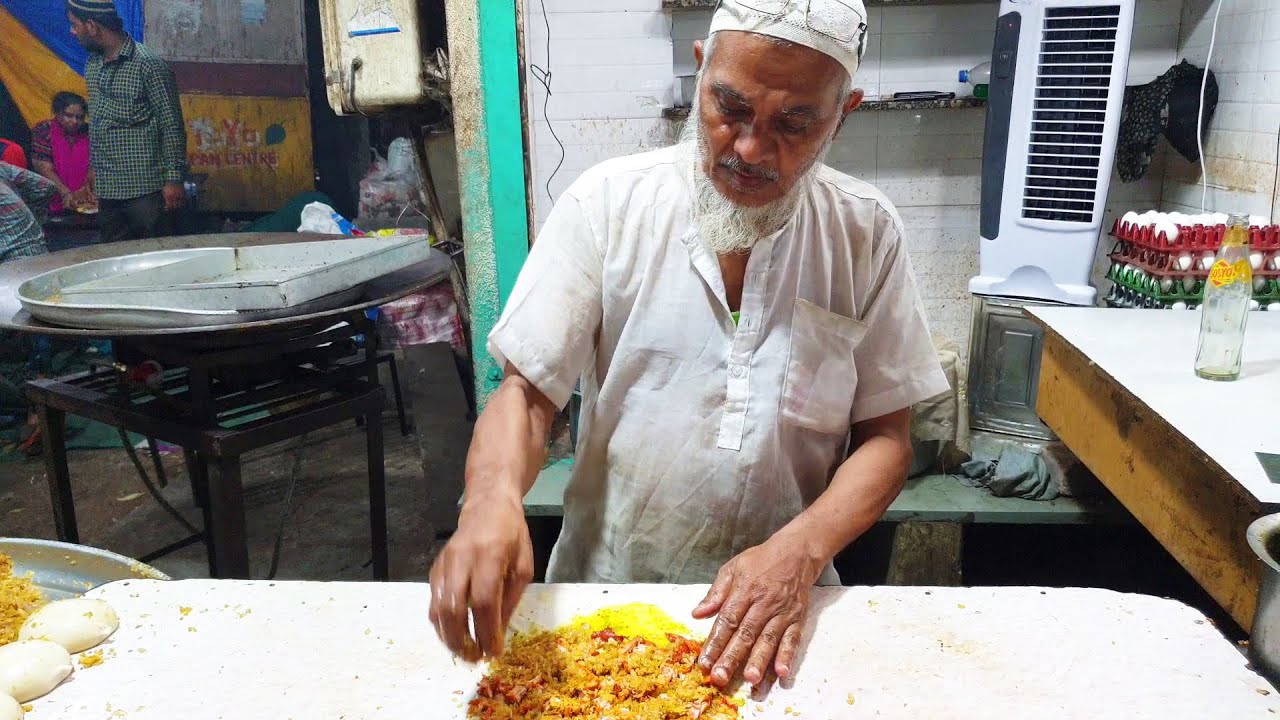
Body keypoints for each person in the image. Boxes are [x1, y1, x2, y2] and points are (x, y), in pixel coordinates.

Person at [430, 0, 947, 689]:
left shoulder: (865, 233)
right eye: (728, 107)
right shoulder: (607, 206)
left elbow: (886, 438)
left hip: (781, 617)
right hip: (605, 599)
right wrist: (490, 500)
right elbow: (525, 396)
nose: (750, 149)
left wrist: (799, 552)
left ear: (843, 113)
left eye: (795, 124)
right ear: (701, 72)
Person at [68, 0, 187, 242]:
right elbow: (100, 122)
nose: (73, 31)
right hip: (108, 191)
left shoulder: (148, 64)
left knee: (154, 258)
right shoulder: (93, 64)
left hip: (146, 191)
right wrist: (93, 169)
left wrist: (174, 180)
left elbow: (171, 124)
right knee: (115, 262)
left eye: (75, 25)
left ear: (91, 26)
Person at [30, 91, 95, 215]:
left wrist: (86, 190)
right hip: (52, 201)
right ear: (58, 113)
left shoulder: (89, 132)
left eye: (80, 117)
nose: (74, 121)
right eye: (68, 116)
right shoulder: (44, 131)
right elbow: (44, 169)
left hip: (86, 200)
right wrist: (66, 194)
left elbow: (95, 165)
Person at [0, 161, 55, 262]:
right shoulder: (3, 167)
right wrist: (32, 222)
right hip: (39, 253)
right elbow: (46, 187)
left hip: (12, 266)